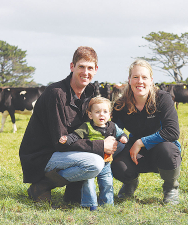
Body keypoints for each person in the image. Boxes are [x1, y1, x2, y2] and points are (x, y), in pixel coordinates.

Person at [19, 46, 118, 203]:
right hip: (43, 154)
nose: (86, 73)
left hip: (67, 150)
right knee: (95, 163)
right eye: (81, 67)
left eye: (90, 68)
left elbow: (87, 129)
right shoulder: (56, 93)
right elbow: (61, 142)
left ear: (96, 69)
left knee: (120, 147)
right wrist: (100, 146)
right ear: (72, 66)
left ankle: (75, 193)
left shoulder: (90, 92)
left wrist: (111, 139)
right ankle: (42, 185)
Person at [111, 59, 182, 205]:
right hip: (136, 153)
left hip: (162, 149)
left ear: (151, 80)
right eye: (135, 77)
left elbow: (172, 131)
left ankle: (171, 188)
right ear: (129, 80)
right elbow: (112, 130)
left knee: (168, 151)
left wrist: (142, 142)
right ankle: (130, 182)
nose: (140, 81)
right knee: (117, 163)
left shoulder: (163, 98)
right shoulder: (121, 104)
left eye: (144, 77)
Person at [59, 96, 128, 210]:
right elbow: (75, 136)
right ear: (90, 115)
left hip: (106, 163)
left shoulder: (112, 126)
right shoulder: (87, 127)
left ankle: (107, 204)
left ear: (110, 115)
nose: (101, 114)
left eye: (105, 112)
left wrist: (123, 137)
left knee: (107, 183)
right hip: (90, 162)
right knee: (88, 183)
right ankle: (90, 204)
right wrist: (67, 139)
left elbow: (121, 133)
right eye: (97, 112)